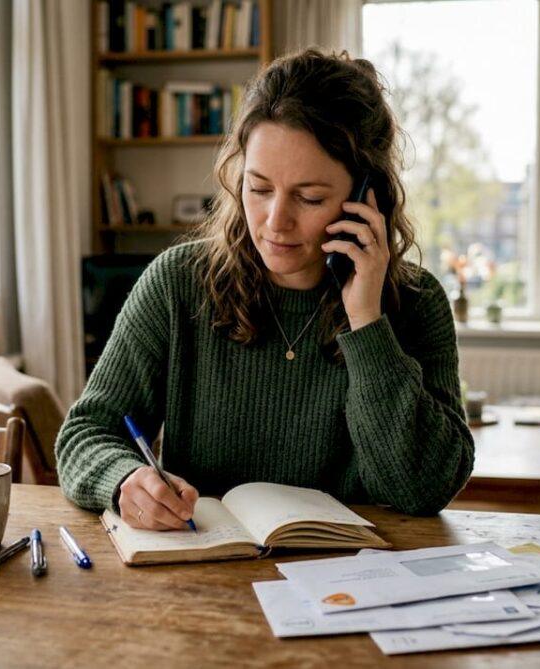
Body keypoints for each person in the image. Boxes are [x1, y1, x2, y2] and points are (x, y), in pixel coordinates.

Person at [56, 48, 473, 531]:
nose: (275, 222)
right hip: (206, 573)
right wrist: (124, 478)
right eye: (258, 188)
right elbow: (85, 434)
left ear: (366, 196)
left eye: (309, 197)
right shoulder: (179, 282)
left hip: (353, 583)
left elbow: (422, 488)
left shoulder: (416, 303)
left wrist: (366, 322)